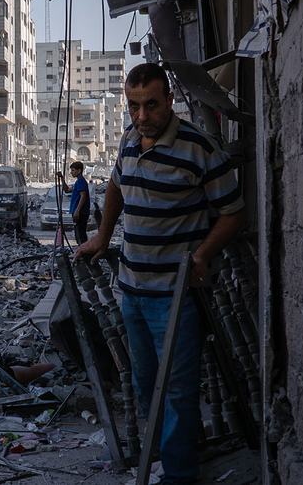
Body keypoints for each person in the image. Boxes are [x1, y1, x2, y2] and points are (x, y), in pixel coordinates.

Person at [75, 63, 244, 485]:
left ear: (169, 100)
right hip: (132, 290)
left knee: (179, 391)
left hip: (176, 295)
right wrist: (101, 237)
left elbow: (233, 213)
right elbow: (115, 187)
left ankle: (180, 476)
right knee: (147, 383)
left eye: (151, 105)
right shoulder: (130, 141)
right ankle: (162, 458)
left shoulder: (197, 148)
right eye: (134, 106)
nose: (142, 116)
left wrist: (203, 255)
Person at [58, 161, 91, 244]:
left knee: (80, 235)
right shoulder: (77, 182)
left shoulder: (81, 181)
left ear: (79, 171)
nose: (71, 172)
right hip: (79, 212)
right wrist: (62, 178)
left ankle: (84, 253)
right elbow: (66, 190)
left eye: (73, 170)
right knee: (78, 234)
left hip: (81, 212)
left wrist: (77, 210)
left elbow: (83, 196)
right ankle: (82, 251)